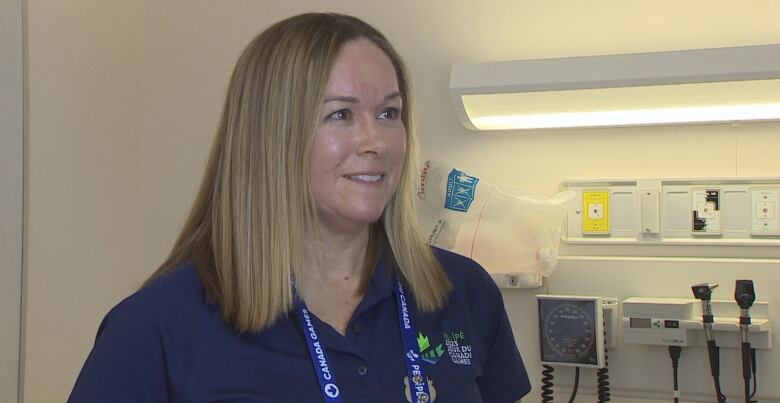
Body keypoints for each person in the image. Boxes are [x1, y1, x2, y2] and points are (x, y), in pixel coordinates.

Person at [68, 12, 531, 403]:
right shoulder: (156, 329)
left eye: (389, 113)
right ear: (271, 138)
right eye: (340, 115)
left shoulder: (464, 293)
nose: (376, 142)